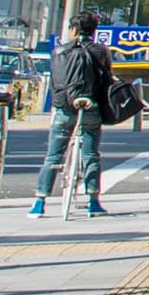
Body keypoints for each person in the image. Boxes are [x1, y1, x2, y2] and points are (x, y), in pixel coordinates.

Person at [30, 13, 113, 219]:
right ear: (94, 31)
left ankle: (39, 202)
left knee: (53, 155)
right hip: (90, 107)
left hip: (64, 108)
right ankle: (93, 201)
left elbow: (57, 82)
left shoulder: (60, 51)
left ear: (73, 30)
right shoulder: (101, 52)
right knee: (91, 155)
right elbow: (107, 81)